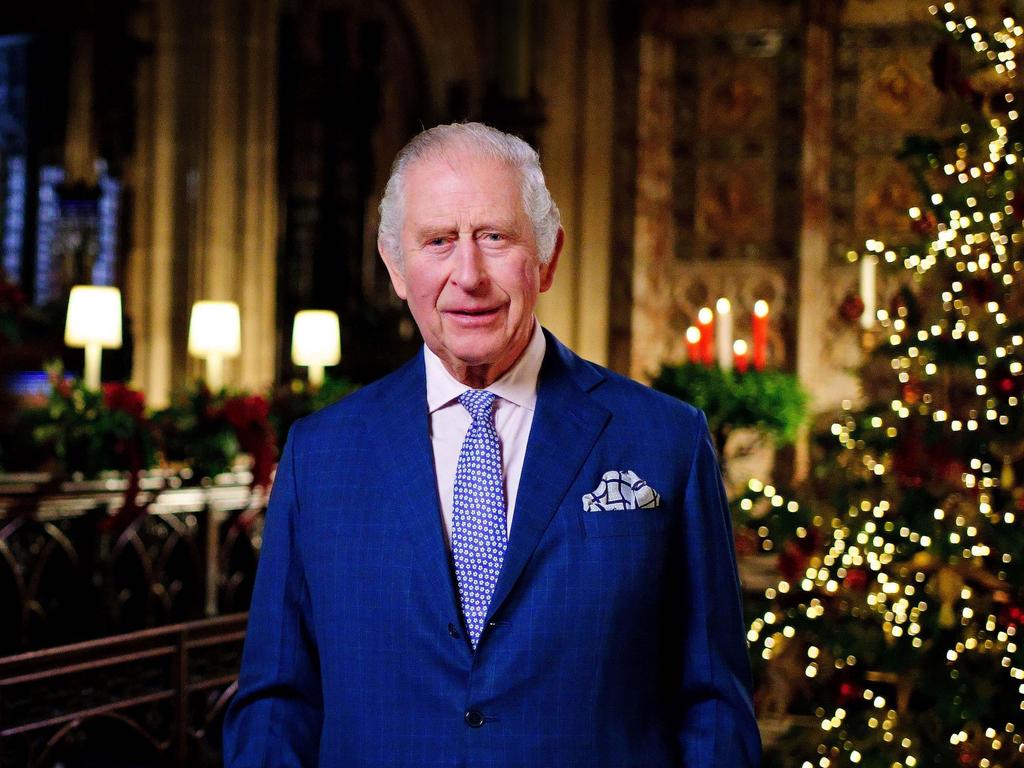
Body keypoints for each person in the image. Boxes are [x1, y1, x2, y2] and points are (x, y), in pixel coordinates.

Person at [223, 122, 761, 767]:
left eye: (495, 237)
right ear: (396, 266)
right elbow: (277, 702)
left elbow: (713, 705)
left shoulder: (665, 441)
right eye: (438, 241)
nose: (468, 275)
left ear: (549, 256)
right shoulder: (320, 455)